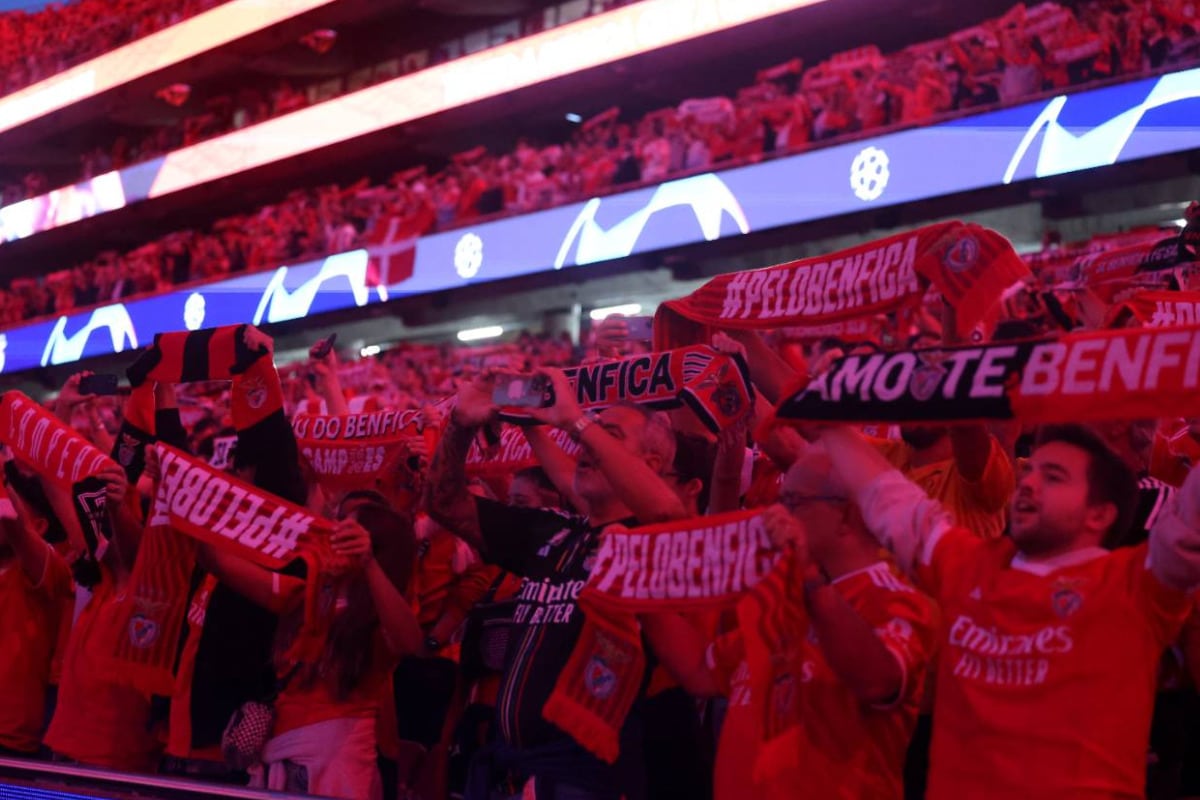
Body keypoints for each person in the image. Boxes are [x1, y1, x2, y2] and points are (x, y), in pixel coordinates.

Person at [819, 422, 1200, 799]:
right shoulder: (971, 567)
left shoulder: (1136, 584)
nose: (1029, 484)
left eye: (1053, 477)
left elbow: (1188, 525)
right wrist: (828, 425)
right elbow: (890, 501)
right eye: (1030, 469)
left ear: (1100, 514)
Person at [425, 369, 684, 799]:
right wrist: (459, 425)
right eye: (590, 434)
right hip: (508, 772)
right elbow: (443, 503)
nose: (586, 444)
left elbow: (667, 514)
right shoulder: (552, 533)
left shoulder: (651, 540)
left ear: (651, 465)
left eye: (609, 435)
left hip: (590, 780)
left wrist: (575, 422)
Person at [643, 444, 936, 799]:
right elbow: (701, 671)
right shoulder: (777, 598)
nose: (776, 515)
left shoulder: (896, 600)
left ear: (847, 515)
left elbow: (878, 682)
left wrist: (812, 581)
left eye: (794, 502)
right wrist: (635, 590)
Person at [204, 502, 421, 800]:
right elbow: (219, 563)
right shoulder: (304, 597)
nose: (331, 533)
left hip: (337, 767)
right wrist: (181, 496)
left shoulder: (378, 616)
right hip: (278, 759)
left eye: (346, 530)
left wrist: (368, 563)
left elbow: (410, 643)